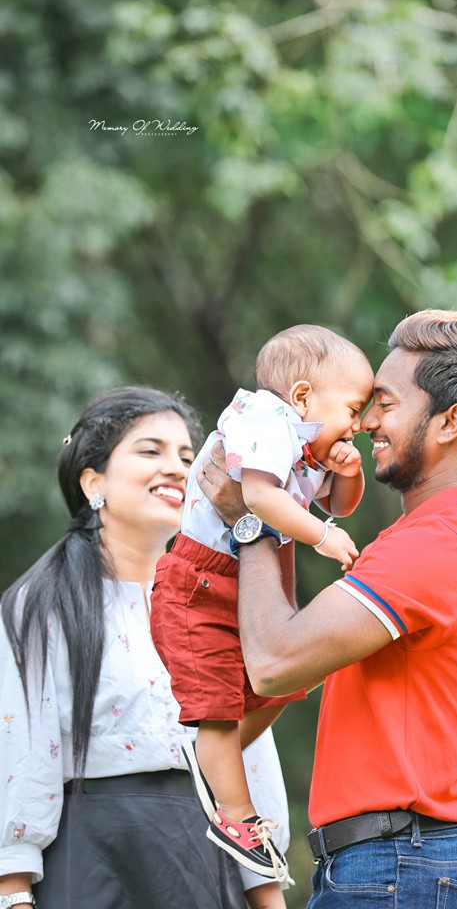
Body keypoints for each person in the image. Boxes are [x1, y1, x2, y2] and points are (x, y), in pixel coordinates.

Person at [199, 309, 457, 908]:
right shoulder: (447, 533)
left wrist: (250, 518)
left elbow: (273, 662)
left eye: (386, 403)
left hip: (400, 864)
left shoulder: (435, 544)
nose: (367, 421)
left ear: (450, 422)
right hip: (401, 862)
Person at [0, 386, 293, 909]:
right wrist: (13, 892)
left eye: (186, 456)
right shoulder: (43, 602)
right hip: (89, 861)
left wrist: (266, 890)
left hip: (205, 855)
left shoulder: (218, 600)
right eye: (150, 450)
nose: (177, 468)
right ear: (93, 481)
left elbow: (249, 757)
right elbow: (22, 753)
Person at [150, 325, 374, 882]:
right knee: (218, 705)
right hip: (199, 583)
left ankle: (209, 761)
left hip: (245, 582)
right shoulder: (264, 422)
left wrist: (349, 473)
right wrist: (321, 538)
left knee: (281, 688)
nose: (359, 424)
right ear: (302, 396)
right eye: (353, 409)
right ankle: (237, 814)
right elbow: (258, 498)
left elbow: (339, 505)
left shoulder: (306, 445)